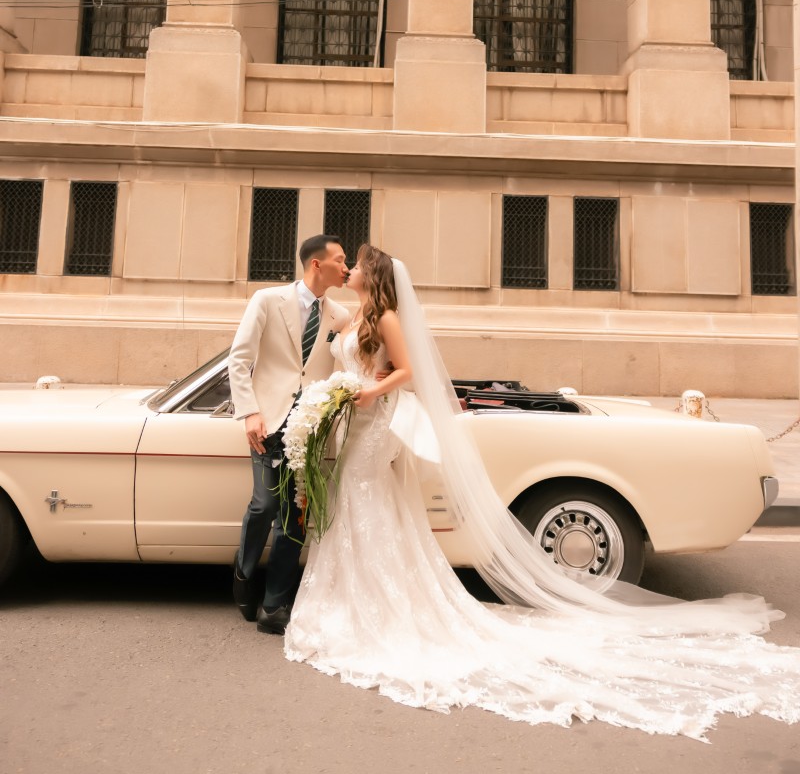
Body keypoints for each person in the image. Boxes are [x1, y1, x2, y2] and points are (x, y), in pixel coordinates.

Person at [283, 244, 800, 738]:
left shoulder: (389, 319)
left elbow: (409, 370)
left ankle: (372, 602)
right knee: (356, 502)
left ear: (374, 275)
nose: (349, 268)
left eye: (356, 263)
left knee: (364, 498)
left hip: (375, 427)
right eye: (343, 262)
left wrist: (369, 390)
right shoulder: (355, 315)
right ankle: (353, 592)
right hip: (356, 424)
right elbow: (325, 329)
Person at [228, 234, 350, 634]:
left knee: (295, 519)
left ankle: (274, 604)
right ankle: (244, 573)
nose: (346, 267)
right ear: (317, 264)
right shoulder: (267, 300)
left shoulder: (340, 315)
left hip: (310, 427)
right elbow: (239, 359)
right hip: (267, 420)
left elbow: (342, 366)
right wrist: (250, 413)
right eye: (340, 260)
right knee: (264, 505)